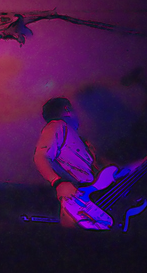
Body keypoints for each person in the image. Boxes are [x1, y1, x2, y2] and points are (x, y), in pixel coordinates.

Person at [33, 97, 110, 229]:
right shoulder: (57, 125)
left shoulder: (81, 140)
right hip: (78, 198)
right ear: (67, 109)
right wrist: (58, 182)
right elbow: (41, 156)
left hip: (90, 198)